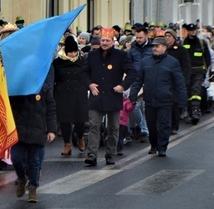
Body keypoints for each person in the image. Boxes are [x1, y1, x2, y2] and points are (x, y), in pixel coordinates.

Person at [82, 27, 137, 166]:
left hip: (113, 95)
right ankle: (92, 155)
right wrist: (90, 85)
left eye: (107, 40)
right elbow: (84, 73)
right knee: (94, 126)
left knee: (113, 127)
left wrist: (123, 86)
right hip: (96, 96)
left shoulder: (121, 56)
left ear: (113, 41)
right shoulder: (92, 55)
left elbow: (132, 73)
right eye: (102, 40)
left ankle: (110, 154)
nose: (105, 43)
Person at [129, 36, 187, 157]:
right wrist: (133, 94)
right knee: (151, 125)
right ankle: (154, 144)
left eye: (157, 46)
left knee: (164, 125)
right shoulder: (146, 62)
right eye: (153, 46)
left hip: (165, 100)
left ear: (164, 48)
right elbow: (138, 80)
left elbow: (179, 82)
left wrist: (182, 101)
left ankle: (162, 147)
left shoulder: (172, 62)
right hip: (149, 99)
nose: (154, 49)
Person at [10, 81, 57, 203]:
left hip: (37, 129)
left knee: (34, 161)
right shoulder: (17, 87)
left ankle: (33, 187)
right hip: (19, 129)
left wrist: (51, 130)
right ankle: (22, 178)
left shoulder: (45, 89)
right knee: (16, 158)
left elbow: (51, 110)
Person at [51, 35, 88, 156]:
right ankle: (67, 144)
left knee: (80, 119)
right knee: (65, 120)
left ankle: (81, 137)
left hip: (79, 93)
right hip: (63, 93)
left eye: (74, 52)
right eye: (70, 52)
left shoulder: (82, 61)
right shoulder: (57, 63)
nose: (72, 54)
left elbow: (87, 76)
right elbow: (53, 78)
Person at [182, 23, 212, 124]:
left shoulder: (201, 43)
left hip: (198, 71)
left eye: (194, 30)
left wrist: (205, 70)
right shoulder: (183, 43)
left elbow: (207, 58)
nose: (192, 32)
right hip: (186, 72)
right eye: (190, 31)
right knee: (188, 92)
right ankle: (188, 111)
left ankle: (195, 110)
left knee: (196, 90)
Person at [164, 29, 191, 134]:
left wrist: (185, 81)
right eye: (166, 36)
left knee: (174, 103)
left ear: (174, 38)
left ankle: (174, 125)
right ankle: (166, 124)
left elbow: (186, 66)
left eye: (169, 36)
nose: (167, 38)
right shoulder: (162, 49)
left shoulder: (181, 50)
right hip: (164, 80)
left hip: (175, 81)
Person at [128, 27, 152, 141]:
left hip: (149, 79)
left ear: (146, 36)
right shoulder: (132, 49)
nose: (138, 40)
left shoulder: (152, 48)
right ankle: (143, 128)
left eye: (140, 37)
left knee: (145, 106)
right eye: (136, 37)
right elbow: (128, 64)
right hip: (136, 80)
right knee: (134, 106)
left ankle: (144, 128)